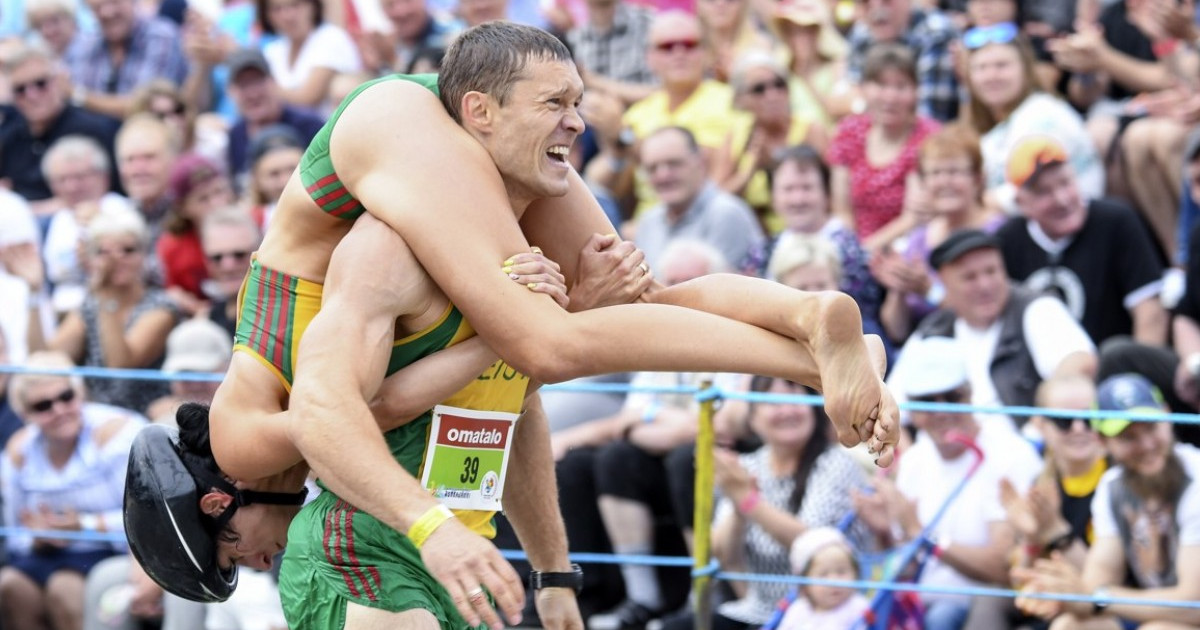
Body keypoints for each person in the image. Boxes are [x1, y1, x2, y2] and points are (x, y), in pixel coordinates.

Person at [126, 20, 897, 628]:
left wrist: (517, 335)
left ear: (219, 502)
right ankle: (809, 328)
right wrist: (553, 572)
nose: (258, 561)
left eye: (235, 554)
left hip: (390, 129)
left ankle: (811, 357)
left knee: (550, 336)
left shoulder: (242, 437)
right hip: (427, 135)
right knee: (631, 301)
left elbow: (352, 415)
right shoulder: (396, 262)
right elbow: (505, 402)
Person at [1014, 373, 1200, 628]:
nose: (1146, 444)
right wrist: (1056, 587)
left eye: (1151, 427)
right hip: (1156, 616)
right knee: (1070, 624)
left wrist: (1094, 598)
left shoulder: (1196, 477)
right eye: (1128, 437)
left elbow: (1192, 604)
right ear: (1103, 441)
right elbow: (1097, 582)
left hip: (1180, 618)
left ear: (1168, 416)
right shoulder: (1113, 486)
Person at [0, 351, 144, 630]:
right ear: (25, 414)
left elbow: (145, 520)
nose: (59, 410)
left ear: (80, 393)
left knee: (63, 588)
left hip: (112, 551)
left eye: (66, 397)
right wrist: (37, 538)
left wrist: (84, 525)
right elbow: (15, 533)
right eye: (43, 406)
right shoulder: (20, 450)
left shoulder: (116, 433)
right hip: (45, 555)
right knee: (10, 586)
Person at [996, 135, 1169, 347]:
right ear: (1021, 204)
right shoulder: (1007, 242)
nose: (1062, 199)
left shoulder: (1116, 221)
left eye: (1065, 183)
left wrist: (1143, 372)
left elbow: (1150, 313)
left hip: (1113, 366)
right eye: (1044, 192)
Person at [777, 527, 869, 630]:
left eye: (841, 572)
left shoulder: (857, 607)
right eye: (823, 575)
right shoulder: (798, 609)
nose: (834, 581)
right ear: (805, 584)